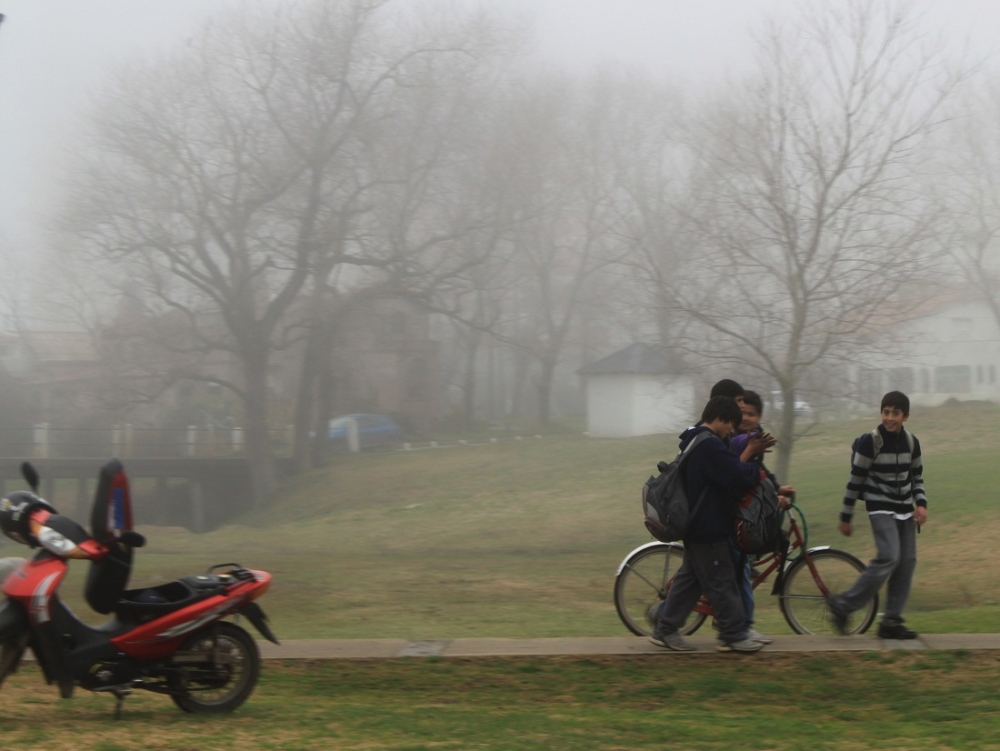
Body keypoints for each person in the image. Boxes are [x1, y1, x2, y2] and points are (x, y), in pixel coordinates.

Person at [649, 396, 773, 653]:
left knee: (690, 581)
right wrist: (753, 464)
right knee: (722, 581)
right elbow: (737, 476)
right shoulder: (708, 446)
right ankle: (734, 634)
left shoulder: (694, 439)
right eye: (731, 425)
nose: (732, 431)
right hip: (707, 526)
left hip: (697, 525)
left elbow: (725, 471)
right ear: (722, 418)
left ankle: (665, 629)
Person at [828, 391, 928, 639]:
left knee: (907, 562)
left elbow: (916, 476)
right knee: (889, 556)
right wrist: (846, 515)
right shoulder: (870, 442)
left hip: (905, 510)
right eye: (886, 412)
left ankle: (891, 622)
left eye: (895, 413)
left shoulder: (912, 443)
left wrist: (921, 504)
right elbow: (855, 480)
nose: (889, 418)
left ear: (906, 416)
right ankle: (843, 605)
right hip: (880, 506)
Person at [727, 391, 794, 644]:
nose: (746, 418)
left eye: (751, 414)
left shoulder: (756, 439)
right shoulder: (733, 440)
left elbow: (759, 471)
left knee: (736, 567)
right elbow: (736, 472)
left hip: (743, 511)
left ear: (760, 416)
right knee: (739, 567)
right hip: (733, 514)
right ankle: (743, 627)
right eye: (742, 412)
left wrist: (775, 489)